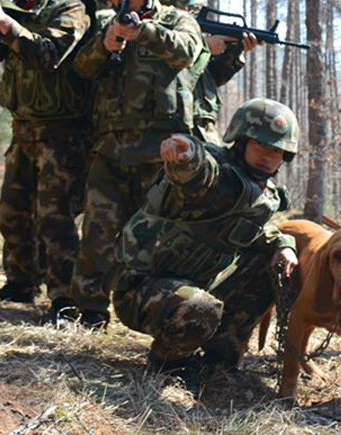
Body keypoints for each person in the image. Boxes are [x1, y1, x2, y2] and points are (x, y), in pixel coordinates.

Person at [70, 0, 209, 328]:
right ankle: (89, 311)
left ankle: (152, 310)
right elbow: (81, 68)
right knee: (98, 228)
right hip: (111, 148)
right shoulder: (105, 24)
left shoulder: (176, 20)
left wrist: (143, 32)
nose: (120, 1)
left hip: (158, 152)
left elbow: (188, 51)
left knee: (153, 236)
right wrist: (107, 43)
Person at [113, 98, 299, 372]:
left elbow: (254, 230)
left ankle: (219, 360)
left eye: (277, 150)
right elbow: (198, 172)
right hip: (141, 290)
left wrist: (284, 244)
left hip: (193, 288)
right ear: (241, 140)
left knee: (267, 266)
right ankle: (169, 363)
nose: (267, 155)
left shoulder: (260, 191)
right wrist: (186, 154)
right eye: (260, 144)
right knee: (201, 307)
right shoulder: (219, 175)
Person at [0, 0, 90, 323]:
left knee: (54, 218)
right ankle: (20, 284)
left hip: (62, 134)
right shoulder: (10, 9)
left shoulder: (69, 8)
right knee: (13, 212)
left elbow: (52, 54)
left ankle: (63, 300)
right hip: (22, 129)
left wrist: (7, 25)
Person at [156, 0, 258, 144]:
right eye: (183, 8)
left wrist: (233, 53)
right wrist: (204, 47)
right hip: (175, 141)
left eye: (190, 8)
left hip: (202, 141)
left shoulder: (190, 34)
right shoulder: (154, 39)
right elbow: (167, 78)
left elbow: (208, 79)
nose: (188, 14)